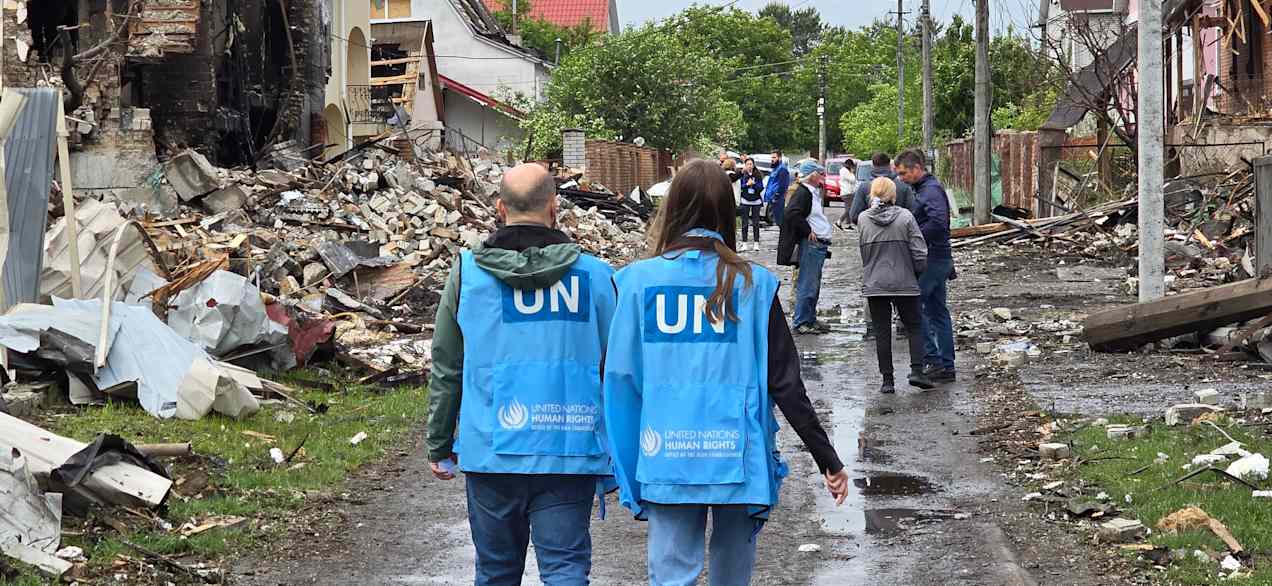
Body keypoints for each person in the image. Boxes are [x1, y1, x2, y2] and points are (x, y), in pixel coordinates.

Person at [602, 159, 849, 586]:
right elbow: (786, 382)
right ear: (727, 211)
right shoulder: (754, 284)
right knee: (732, 576)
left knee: (671, 576)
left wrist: (626, 467)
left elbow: (619, 382)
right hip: (737, 454)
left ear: (673, 208)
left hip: (665, 454)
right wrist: (827, 458)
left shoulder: (635, 283)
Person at [427, 163, 618, 584]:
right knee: (565, 569)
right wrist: (619, 454)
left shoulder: (467, 274)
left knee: (496, 571)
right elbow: (616, 369)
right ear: (554, 208)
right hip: (568, 448)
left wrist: (440, 443)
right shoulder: (596, 277)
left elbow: (447, 365)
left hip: (491, 450)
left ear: (499, 208)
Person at [857, 177, 935, 393]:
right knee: (914, 326)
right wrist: (917, 271)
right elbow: (919, 251)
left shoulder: (863, 219)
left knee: (882, 331)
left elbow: (864, 252)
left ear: (872, 194)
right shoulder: (906, 217)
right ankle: (917, 371)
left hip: (875, 282)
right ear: (893, 195)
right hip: (905, 281)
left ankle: (887, 381)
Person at [895, 150, 956, 384]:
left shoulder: (929, 191)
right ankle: (945, 366)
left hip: (932, 258)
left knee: (915, 306)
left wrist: (914, 236)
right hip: (938, 257)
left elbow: (939, 223)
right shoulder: (925, 189)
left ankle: (933, 359)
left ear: (917, 168)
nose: (900, 178)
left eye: (903, 173)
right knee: (938, 311)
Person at [846, 152, 920, 341]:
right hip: (900, 241)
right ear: (890, 165)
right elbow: (914, 212)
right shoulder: (902, 186)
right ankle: (903, 325)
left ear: (872, 164)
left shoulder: (864, 187)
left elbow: (853, 215)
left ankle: (872, 327)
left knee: (872, 278)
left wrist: (868, 223)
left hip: (873, 242)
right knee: (901, 278)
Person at [778, 160, 833, 335]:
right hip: (811, 245)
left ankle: (810, 318)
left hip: (817, 245)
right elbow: (791, 213)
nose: (823, 177)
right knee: (807, 284)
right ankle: (802, 321)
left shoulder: (810, 191)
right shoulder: (803, 192)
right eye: (820, 173)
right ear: (812, 175)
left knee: (813, 284)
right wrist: (807, 230)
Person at [738, 157, 765, 252]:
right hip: (745, 200)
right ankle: (744, 243)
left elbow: (761, 187)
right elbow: (740, 186)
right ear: (745, 166)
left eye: (751, 164)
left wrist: (753, 184)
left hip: (756, 201)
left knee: (755, 222)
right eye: (747, 164)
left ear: (753, 165)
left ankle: (756, 243)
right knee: (744, 223)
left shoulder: (758, 175)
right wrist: (747, 185)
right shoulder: (742, 175)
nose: (749, 166)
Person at [762, 150, 790, 227]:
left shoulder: (782, 169)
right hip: (773, 198)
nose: (772, 159)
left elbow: (783, 185)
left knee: (780, 221)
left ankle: (784, 238)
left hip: (778, 199)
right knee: (778, 221)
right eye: (771, 157)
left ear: (780, 158)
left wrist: (776, 197)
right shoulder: (775, 168)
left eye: (774, 157)